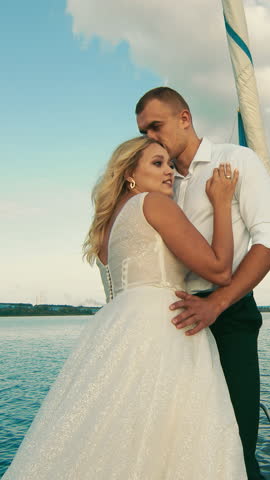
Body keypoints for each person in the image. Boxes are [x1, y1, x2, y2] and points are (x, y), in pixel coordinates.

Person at [2, 137, 247, 480]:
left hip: (117, 332)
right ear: (130, 173)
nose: (169, 173)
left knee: (114, 433)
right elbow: (221, 269)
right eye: (157, 164)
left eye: (170, 165)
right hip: (166, 328)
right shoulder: (153, 204)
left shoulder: (105, 228)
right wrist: (221, 201)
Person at [136, 86, 270, 480]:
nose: (149, 138)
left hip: (227, 316)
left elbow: (267, 240)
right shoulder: (159, 181)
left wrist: (218, 304)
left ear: (185, 118)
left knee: (235, 440)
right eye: (143, 132)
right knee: (181, 443)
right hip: (174, 324)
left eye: (155, 126)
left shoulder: (236, 160)